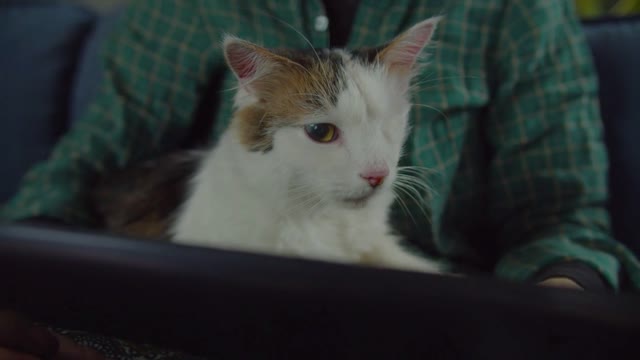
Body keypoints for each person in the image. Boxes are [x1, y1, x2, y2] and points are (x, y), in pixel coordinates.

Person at [1, 0, 639, 357]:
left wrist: (550, 317)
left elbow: (561, 213)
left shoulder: (512, 11)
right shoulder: (188, 10)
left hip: (431, 319)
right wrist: (32, 281)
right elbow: (84, 170)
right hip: (205, 308)